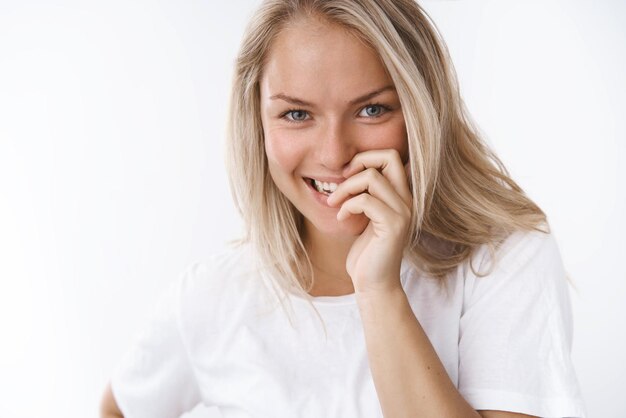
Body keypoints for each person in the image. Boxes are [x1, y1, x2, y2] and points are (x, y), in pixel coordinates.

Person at [101, 0, 586, 417]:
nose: (334, 154)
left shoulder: (504, 260)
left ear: (422, 109)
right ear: (259, 122)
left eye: (372, 109)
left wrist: (378, 289)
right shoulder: (212, 296)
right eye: (296, 114)